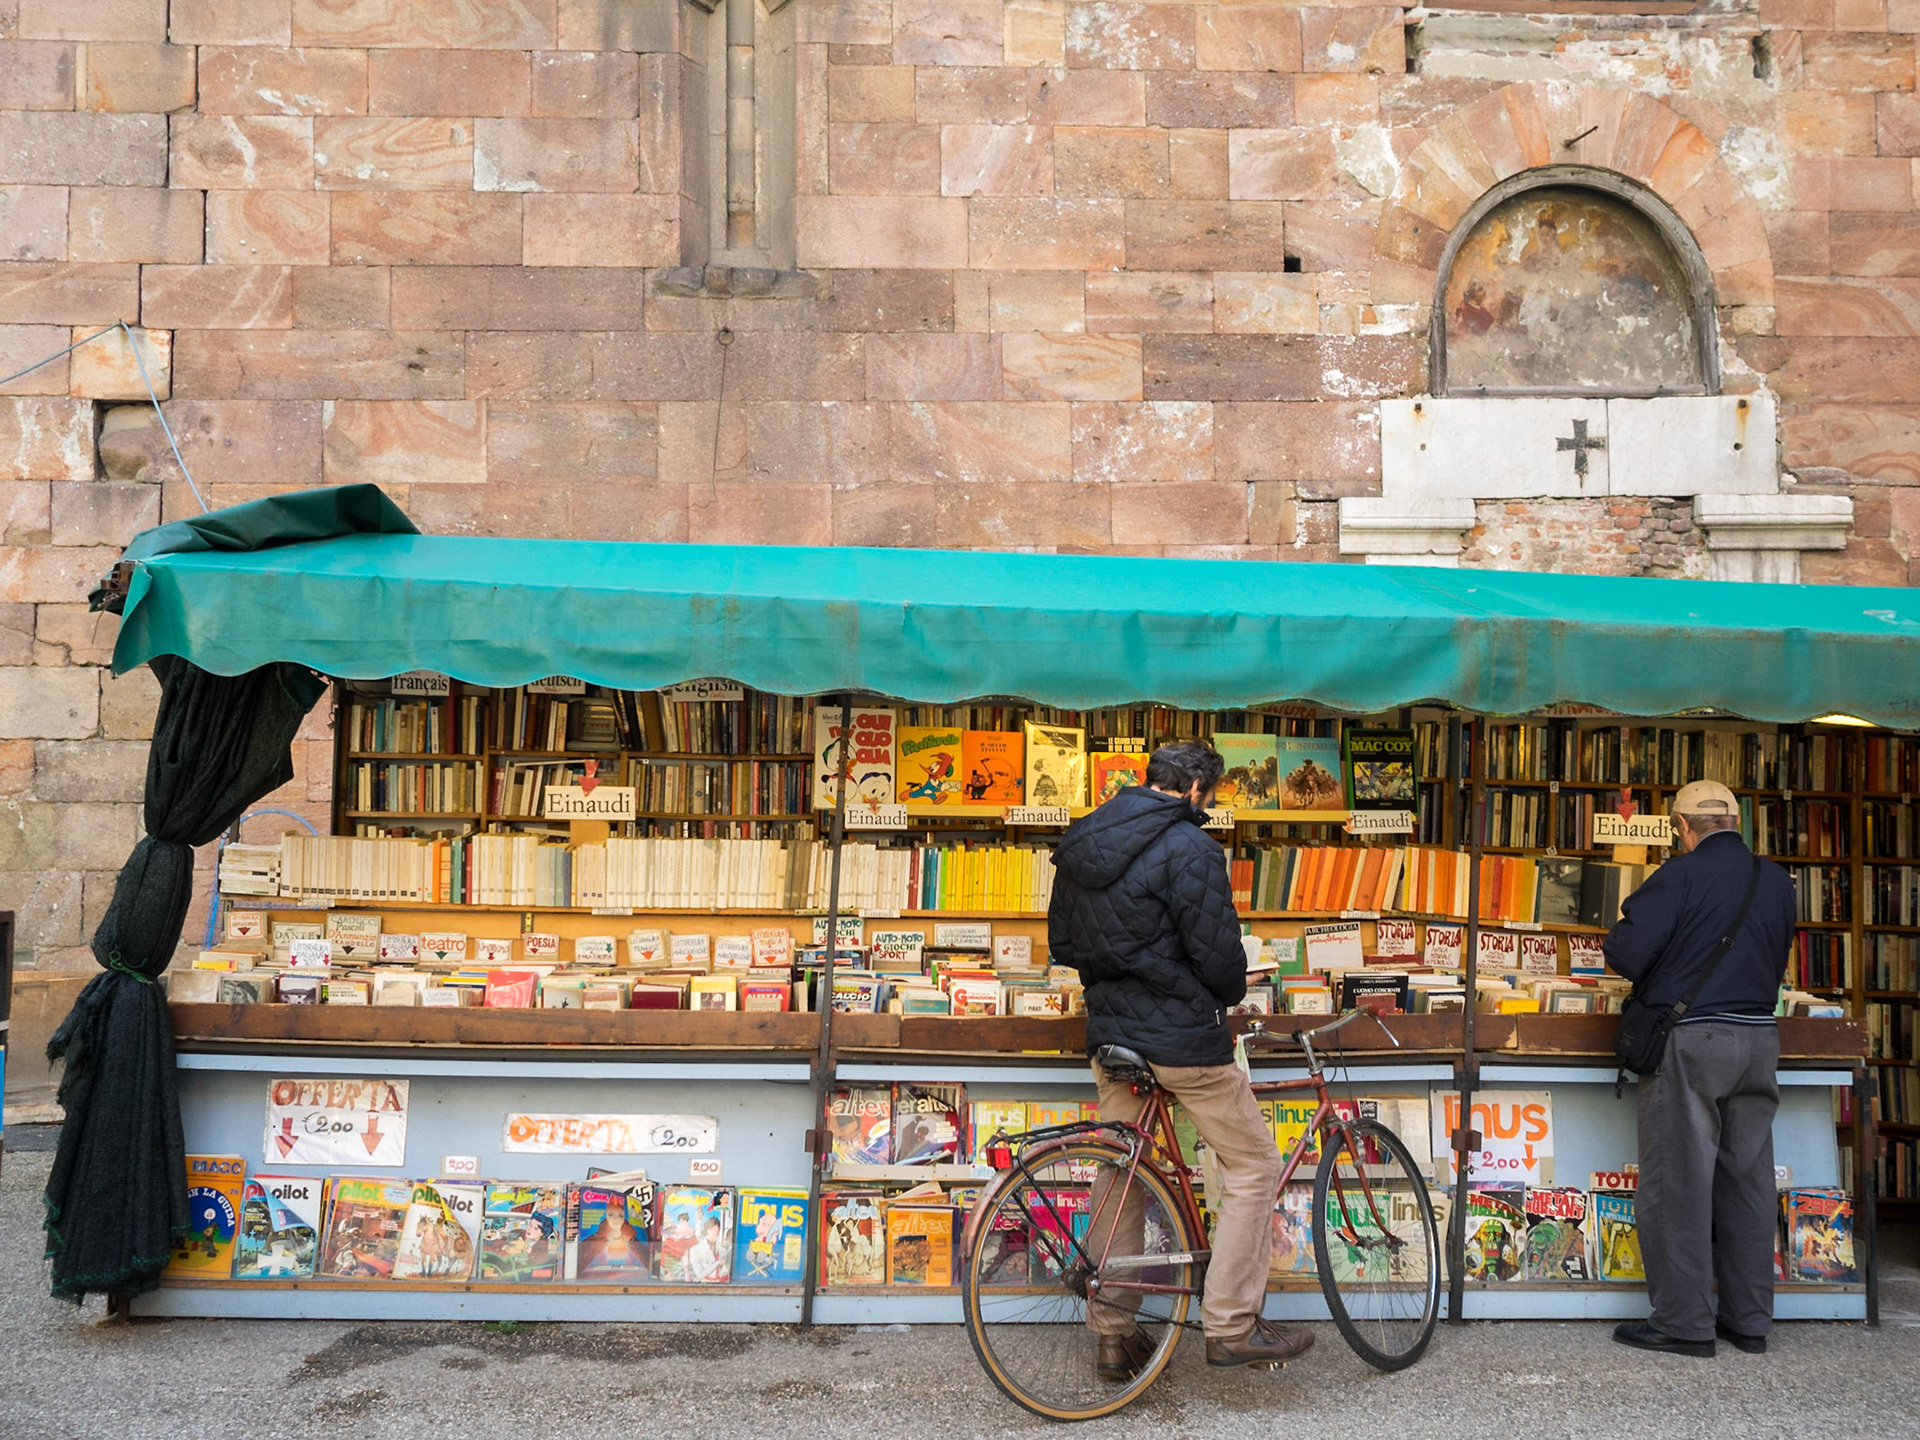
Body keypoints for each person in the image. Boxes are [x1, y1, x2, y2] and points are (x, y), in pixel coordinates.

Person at [1048, 738, 1312, 1381]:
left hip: (1113, 1037)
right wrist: (1218, 993)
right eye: (1212, 797)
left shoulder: (1081, 838)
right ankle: (1229, 1325)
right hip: (1181, 1042)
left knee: (1121, 1170)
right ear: (1197, 789)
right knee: (1254, 1165)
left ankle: (1113, 1334)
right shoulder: (1191, 846)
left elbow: (1062, 942)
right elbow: (1221, 960)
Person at [1602, 779, 1797, 1358]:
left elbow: (1626, 952)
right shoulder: (1778, 881)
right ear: (1737, 822)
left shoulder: (1680, 875)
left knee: (1679, 1183)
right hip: (1761, 1038)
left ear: (1682, 828)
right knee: (1749, 1182)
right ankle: (1749, 1321)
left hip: (1693, 1043)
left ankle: (1684, 1323)